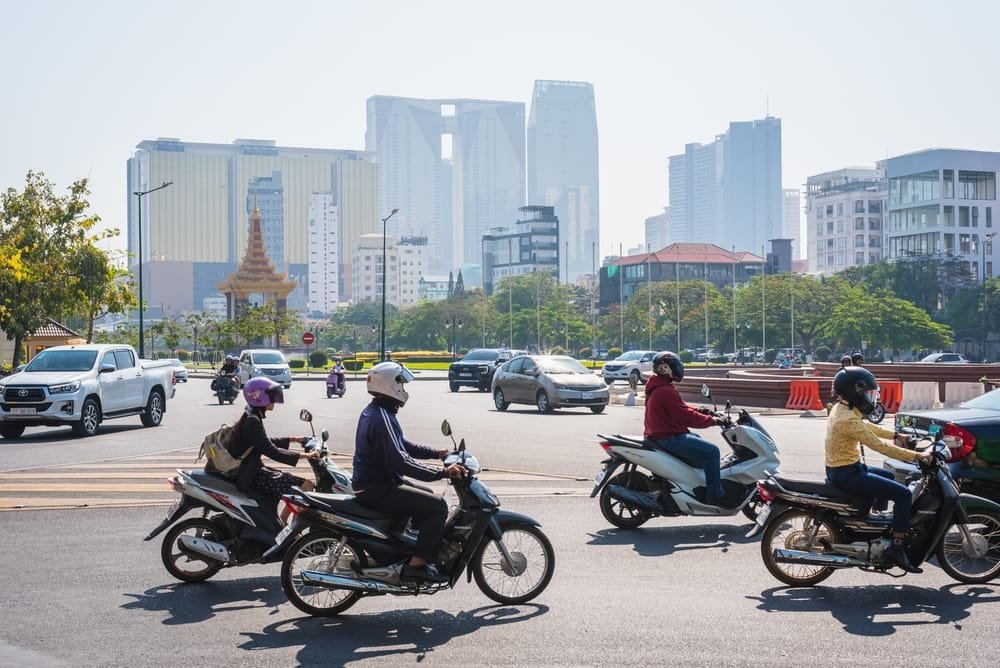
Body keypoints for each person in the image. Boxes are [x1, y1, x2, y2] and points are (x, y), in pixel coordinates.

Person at [352, 361, 466, 584]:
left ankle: (400, 549)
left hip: (374, 483)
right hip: (377, 487)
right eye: (401, 383)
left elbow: (402, 445)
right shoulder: (381, 417)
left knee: (423, 493)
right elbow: (401, 460)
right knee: (437, 507)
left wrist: (438, 453)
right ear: (389, 385)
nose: (404, 389)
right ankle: (417, 565)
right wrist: (441, 473)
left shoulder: (376, 412)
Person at [826, 366, 933, 573]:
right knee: (902, 495)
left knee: (888, 475)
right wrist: (917, 456)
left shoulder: (843, 409)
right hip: (847, 474)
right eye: (867, 393)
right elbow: (880, 447)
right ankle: (897, 547)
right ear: (854, 391)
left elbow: (867, 428)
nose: (869, 397)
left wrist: (896, 435)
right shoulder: (847, 418)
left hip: (844, 468)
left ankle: (876, 521)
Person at [643, 350, 729, 505]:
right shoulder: (665, 391)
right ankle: (714, 495)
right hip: (669, 438)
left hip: (660, 436)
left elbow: (680, 409)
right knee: (712, 452)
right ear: (664, 368)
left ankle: (692, 486)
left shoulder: (659, 387)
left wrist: (701, 410)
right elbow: (685, 417)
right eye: (675, 366)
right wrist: (713, 421)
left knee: (696, 440)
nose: (679, 369)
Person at [230, 377, 321, 522]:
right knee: (307, 486)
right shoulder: (252, 421)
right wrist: (308, 455)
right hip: (253, 476)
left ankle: (282, 522)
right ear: (259, 397)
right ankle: (287, 525)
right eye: (271, 395)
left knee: (302, 485)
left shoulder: (251, 417)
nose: (274, 400)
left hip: (253, 471)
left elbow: (264, 442)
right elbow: (272, 451)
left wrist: (293, 439)